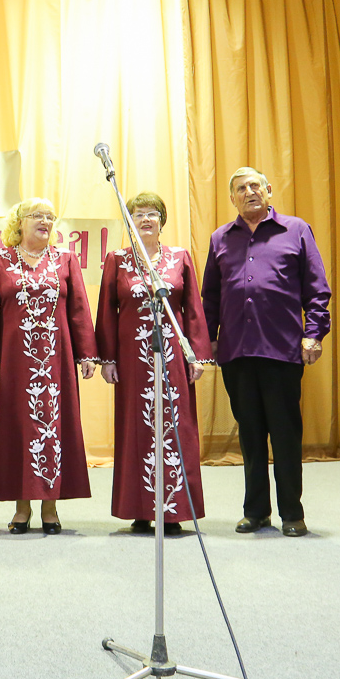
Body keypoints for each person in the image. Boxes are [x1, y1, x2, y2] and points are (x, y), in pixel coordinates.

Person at [202, 167, 330, 537]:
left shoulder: (296, 229)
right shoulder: (220, 238)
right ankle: (256, 511)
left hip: (282, 349)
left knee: (285, 434)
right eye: (240, 188)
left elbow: (316, 288)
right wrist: (208, 339)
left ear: (268, 190)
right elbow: (210, 296)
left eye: (255, 185)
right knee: (251, 434)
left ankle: (292, 513)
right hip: (237, 352)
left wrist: (314, 333)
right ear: (232, 198)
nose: (249, 192)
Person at [0, 197, 97, 534]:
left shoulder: (65, 259)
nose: (45, 221)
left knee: (55, 427)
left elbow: (79, 309)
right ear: (19, 222)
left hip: (57, 361)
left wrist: (87, 353)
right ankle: (21, 507)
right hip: (16, 361)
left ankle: (50, 506)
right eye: (37, 216)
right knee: (18, 427)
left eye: (49, 217)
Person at [98, 192, 213, 535]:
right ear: (130, 220)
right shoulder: (117, 259)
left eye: (152, 214)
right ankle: (140, 508)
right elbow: (107, 312)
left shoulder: (180, 257)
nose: (146, 219)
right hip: (132, 360)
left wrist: (196, 355)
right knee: (136, 428)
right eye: (139, 214)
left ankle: (174, 509)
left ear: (162, 220)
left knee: (176, 427)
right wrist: (108, 359)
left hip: (173, 358)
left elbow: (193, 309)